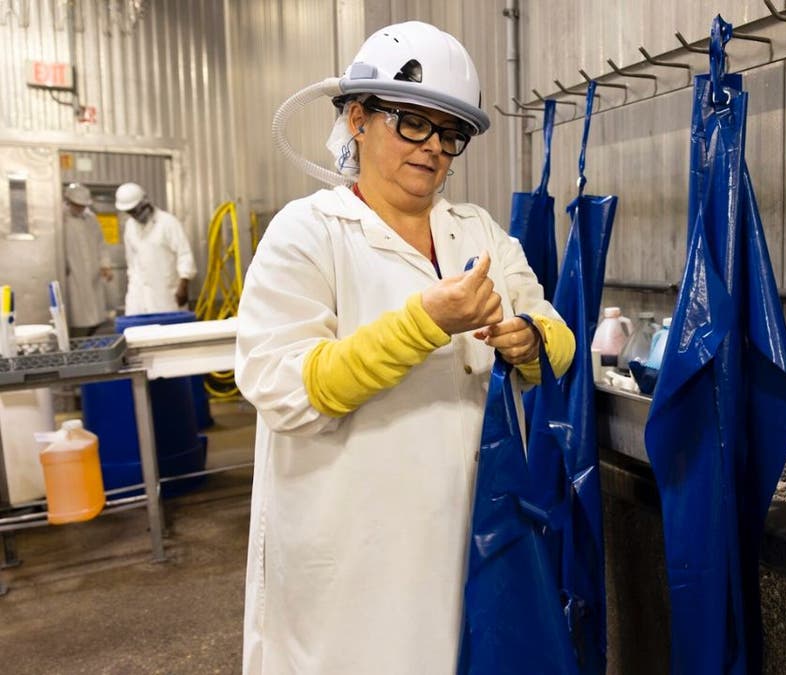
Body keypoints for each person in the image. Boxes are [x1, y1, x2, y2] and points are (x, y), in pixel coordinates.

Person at [233, 21, 575, 674]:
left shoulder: (477, 234)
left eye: (450, 134)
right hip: (346, 570)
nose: (433, 149)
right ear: (357, 118)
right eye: (412, 123)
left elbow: (557, 339)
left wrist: (526, 339)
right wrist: (425, 322)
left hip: (460, 549)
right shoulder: (308, 234)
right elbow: (292, 389)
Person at [114, 181, 196, 315]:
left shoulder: (168, 222)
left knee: (169, 331)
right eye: (130, 212)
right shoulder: (130, 226)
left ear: (145, 203)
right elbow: (132, 262)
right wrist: (132, 291)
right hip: (139, 294)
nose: (134, 215)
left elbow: (184, 254)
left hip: (166, 293)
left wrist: (184, 284)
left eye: (135, 210)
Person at [61, 183, 113, 336]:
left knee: (95, 314)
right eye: (77, 205)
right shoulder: (60, 219)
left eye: (83, 206)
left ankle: (89, 337)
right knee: (76, 314)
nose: (80, 209)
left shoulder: (91, 218)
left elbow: (101, 243)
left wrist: (105, 265)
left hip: (93, 273)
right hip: (72, 274)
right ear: (68, 201)